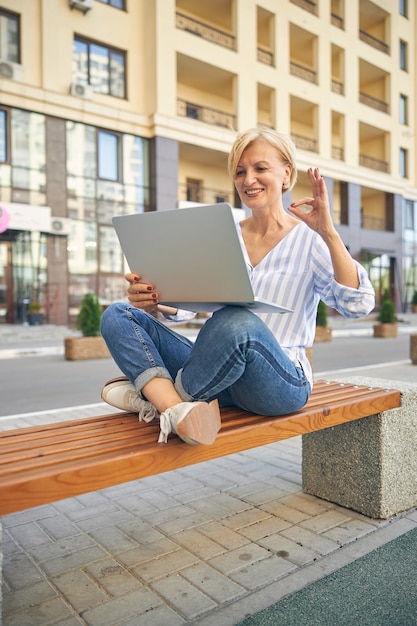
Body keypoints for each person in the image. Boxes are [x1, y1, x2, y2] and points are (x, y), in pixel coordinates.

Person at [100, 126, 375, 445]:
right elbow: (189, 305)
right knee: (119, 315)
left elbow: (359, 305)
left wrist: (328, 232)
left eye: (260, 168)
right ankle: (174, 409)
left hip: (280, 382)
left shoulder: (311, 241)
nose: (248, 180)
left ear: (286, 174)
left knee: (237, 319)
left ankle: (151, 396)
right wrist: (154, 301)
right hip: (217, 372)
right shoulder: (223, 231)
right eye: (240, 171)